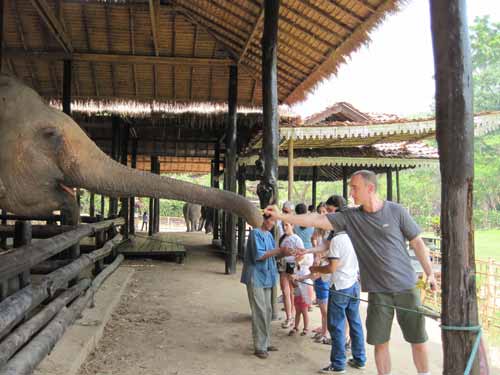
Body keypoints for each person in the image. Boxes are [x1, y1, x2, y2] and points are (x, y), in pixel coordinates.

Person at [265, 170, 437, 375]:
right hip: (377, 291)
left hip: (406, 286)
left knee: (417, 338)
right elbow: (315, 220)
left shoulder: (397, 211)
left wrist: (430, 273)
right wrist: (282, 215)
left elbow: (417, 242)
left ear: (370, 188)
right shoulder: (351, 217)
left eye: (355, 188)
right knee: (380, 342)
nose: (351, 193)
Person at [306, 196, 366, 373]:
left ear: (339, 213)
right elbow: (325, 246)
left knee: (336, 326)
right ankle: (359, 358)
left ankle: (338, 363)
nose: (328, 216)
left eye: (331, 212)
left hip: (340, 287)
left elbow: (332, 267)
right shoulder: (352, 233)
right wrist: (309, 250)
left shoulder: (338, 239)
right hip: (353, 284)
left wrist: (316, 268)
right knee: (354, 322)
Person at [240, 214, 293, 360]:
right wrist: (280, 250)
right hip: (255, 277)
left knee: (268, 310)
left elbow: (272, 256)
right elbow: (259, 255)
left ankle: (265, 341)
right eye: (270, 220)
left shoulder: (269, 235)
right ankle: (260, 346)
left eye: (275, 221)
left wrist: (285, 254)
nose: (272, 223)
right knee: (259, 311)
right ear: (264, 219)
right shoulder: (255, 234)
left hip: (268, 277)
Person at [278, 221, 303, 329]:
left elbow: (302, 255)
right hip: (283, 267)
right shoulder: (282, 239)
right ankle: (289, 317)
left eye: (287, 225)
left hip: (292, 268)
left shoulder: (297, 239)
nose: (284, 227)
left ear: (293, 225)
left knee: (292, 293)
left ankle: (293, 317)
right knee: (285, 291)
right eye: (283, 225)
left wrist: (295, 264)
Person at [288, 248, 314, 337]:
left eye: (299, 255)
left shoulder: (306, 269)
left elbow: (307, 282)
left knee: (304, 311)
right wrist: (293, 281)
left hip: (305, 291)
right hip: (298, 291)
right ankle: (296, 327)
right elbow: (294, 282)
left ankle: (306, 328)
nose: (296, 256)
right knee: (298, 311)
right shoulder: (296, 267)